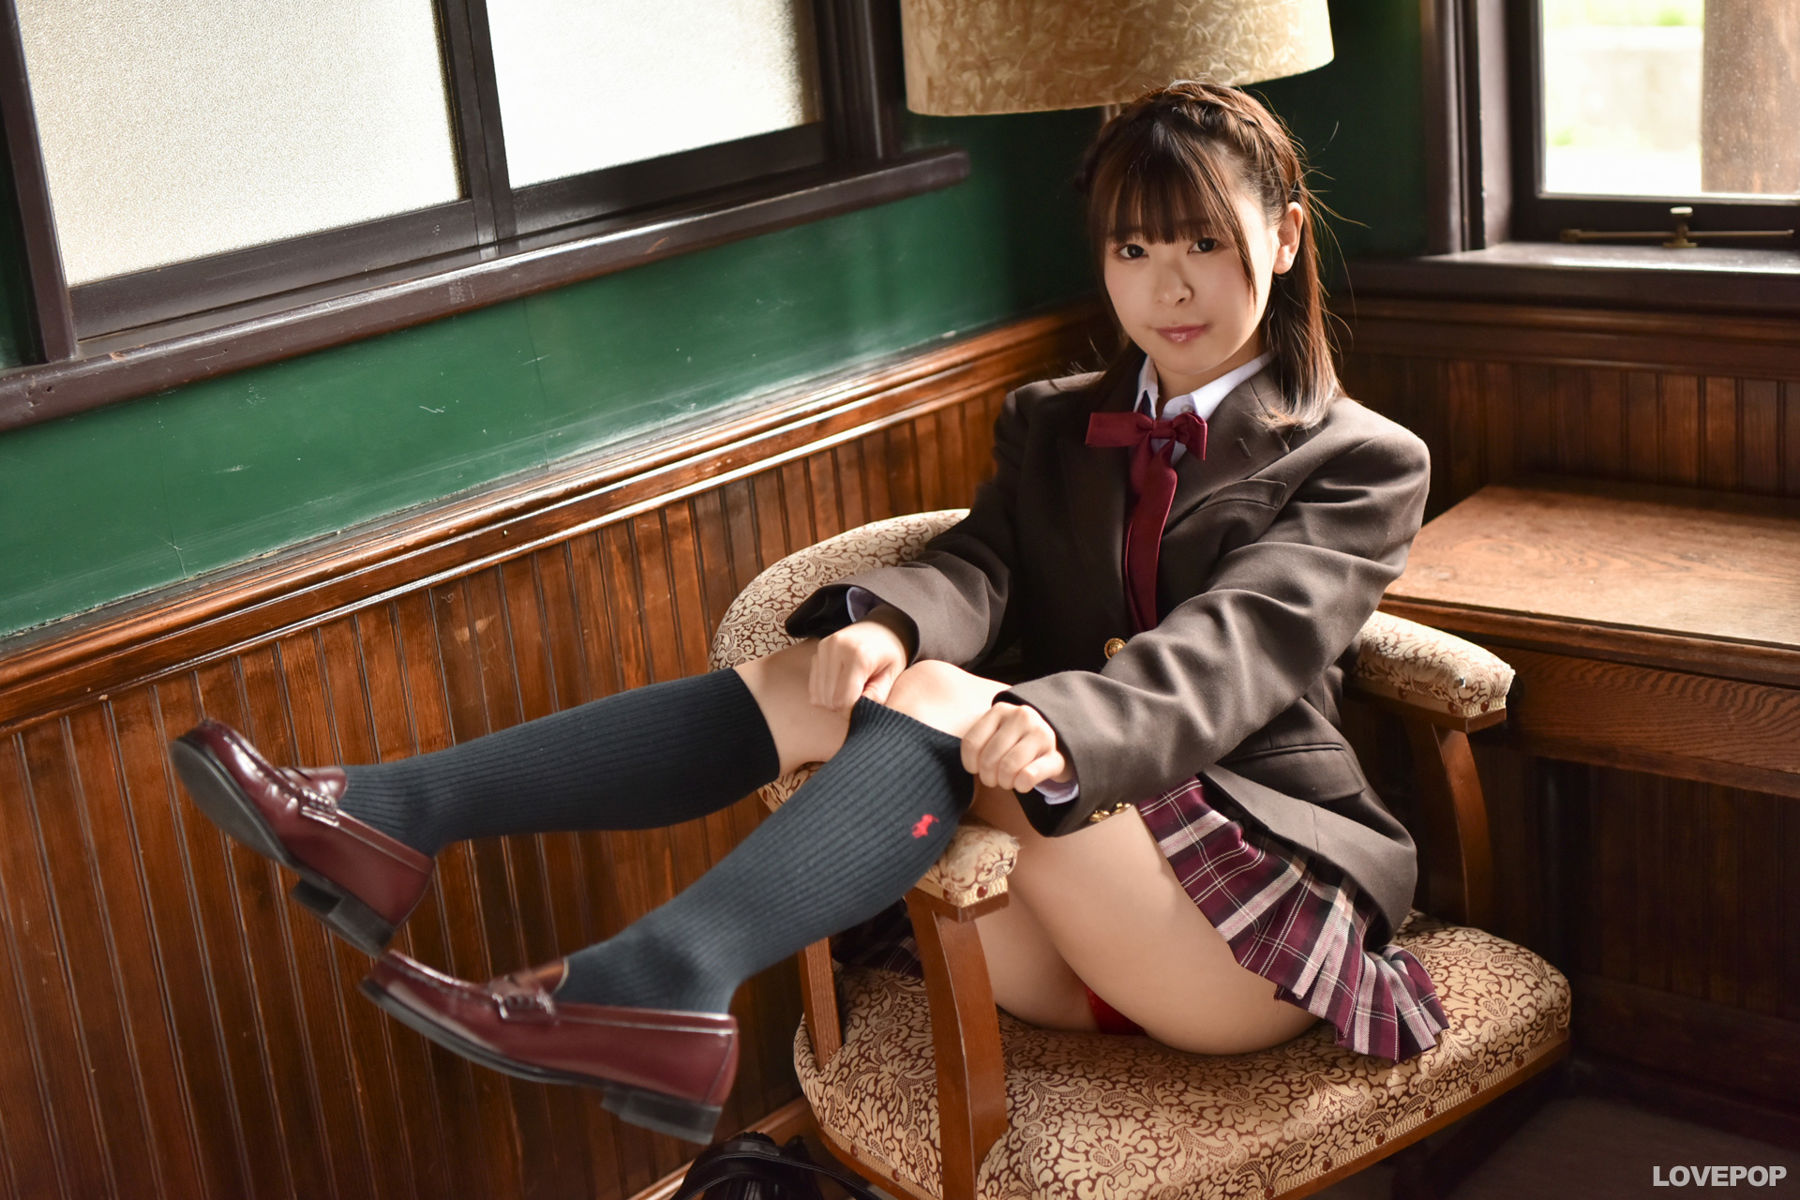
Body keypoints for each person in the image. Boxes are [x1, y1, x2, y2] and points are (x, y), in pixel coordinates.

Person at [169, 81, 1447, 1148]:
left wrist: (1056, 720)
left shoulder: (1362, 460)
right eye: (1133, 249)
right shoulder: (1055, 420)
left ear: (1284, 237)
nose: (1169, 284)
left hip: (1234, 927)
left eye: (1204, 244)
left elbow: (1238, 649)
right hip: (1054, 942)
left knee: (936, 701)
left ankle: (665, 972)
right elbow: (981, 564)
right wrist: (890, 627)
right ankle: (398, 815)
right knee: (853, 675)